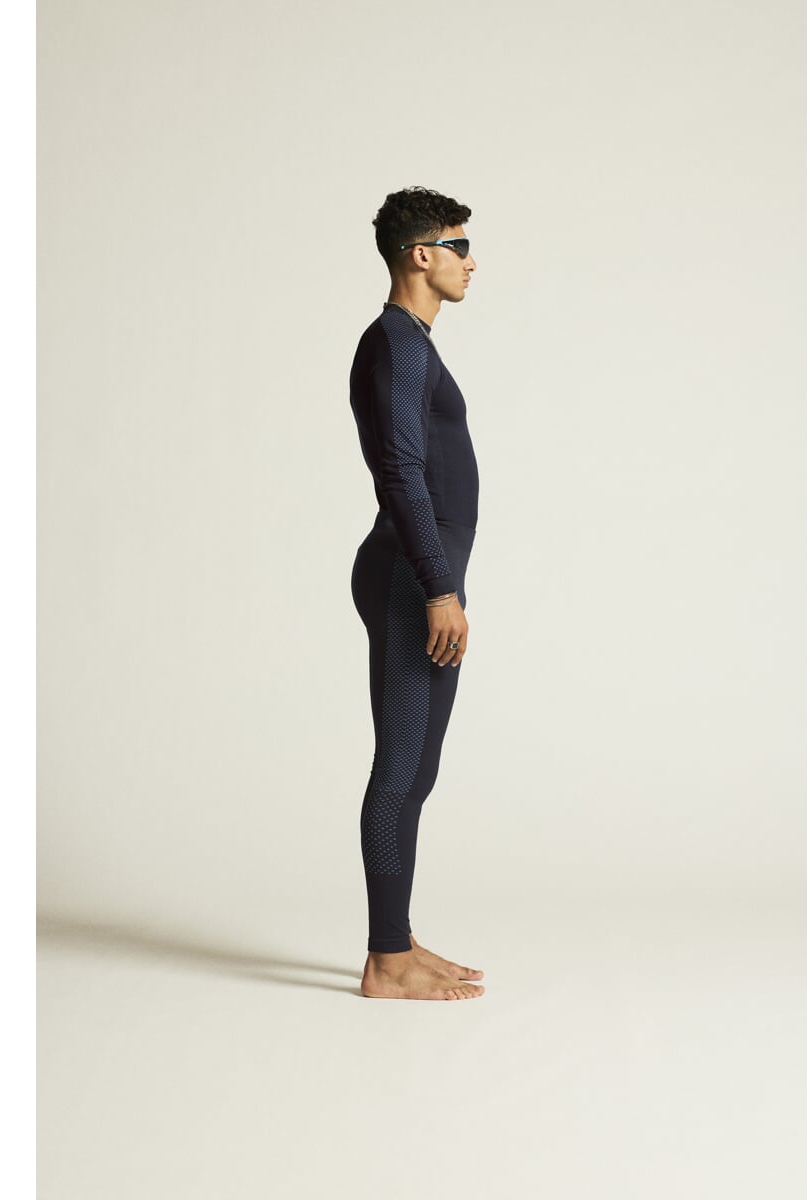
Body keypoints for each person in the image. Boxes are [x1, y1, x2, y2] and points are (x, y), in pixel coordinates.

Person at [348, 186, 486, 1000]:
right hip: (411, 575)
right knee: (400, 765)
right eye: (459, 246)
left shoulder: (413, 345)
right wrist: (438, 586)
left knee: (417, 768)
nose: (472, 262)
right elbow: (399, 471)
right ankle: (386, 962)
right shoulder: (396, 344)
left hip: (424, 573)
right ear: (421, 254)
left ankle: (395, 939)